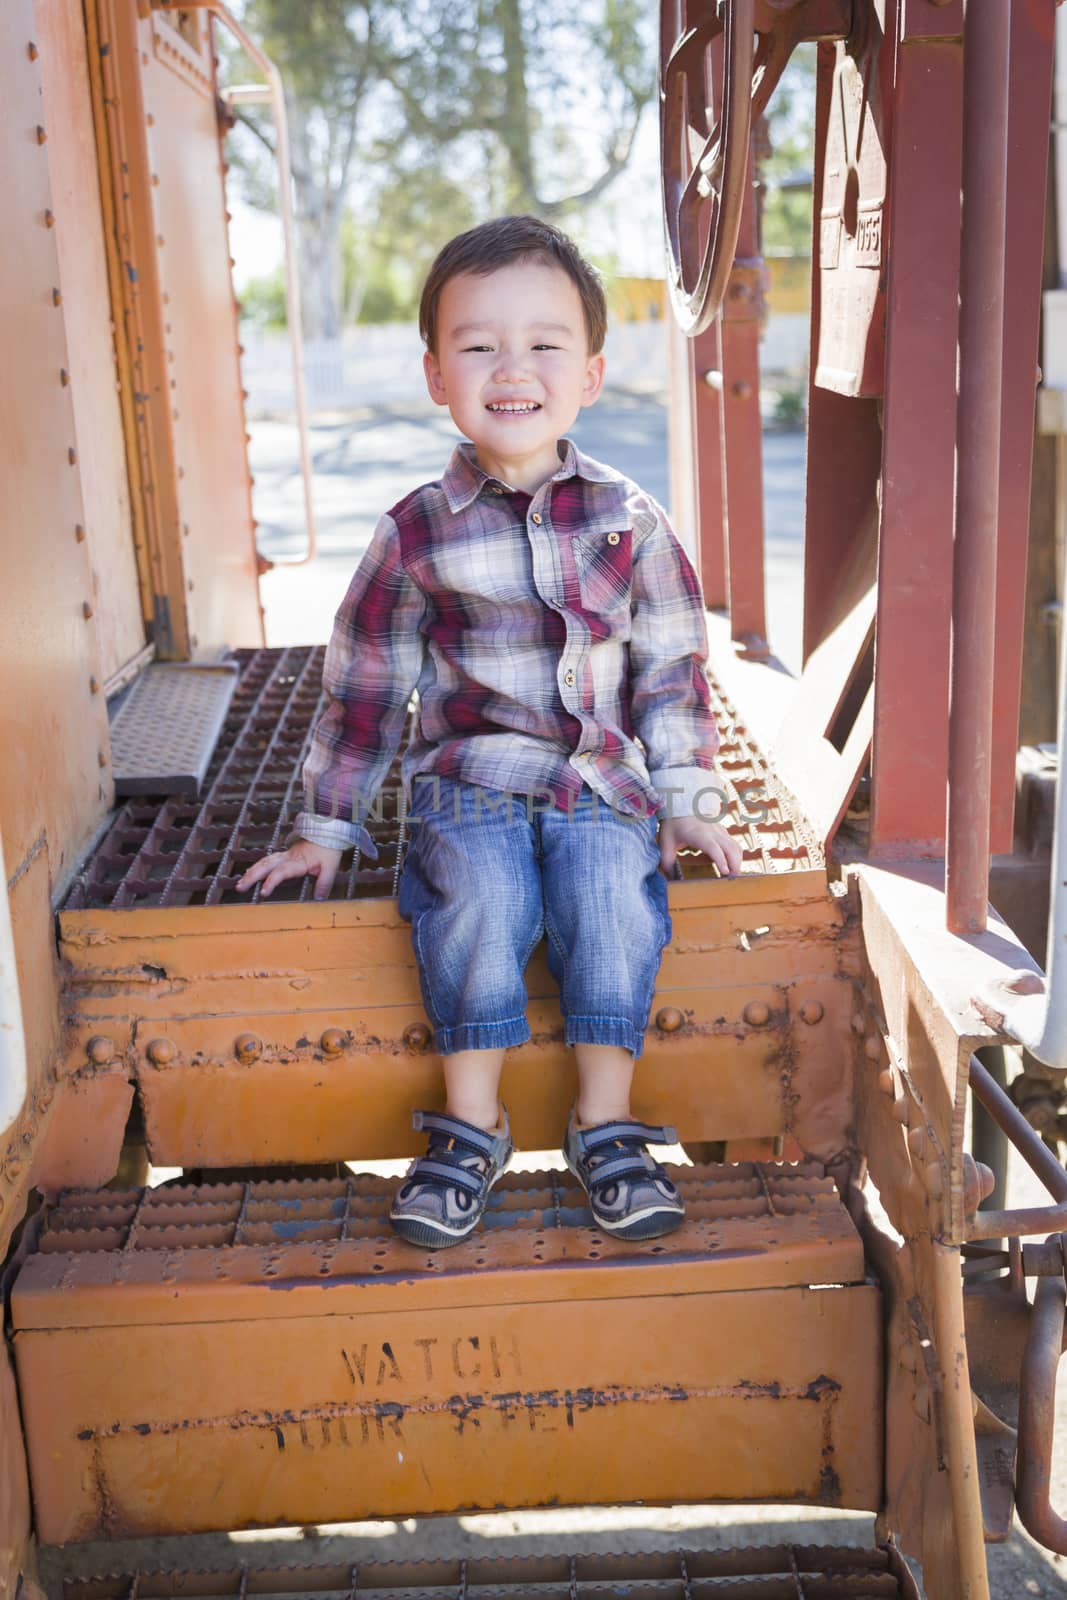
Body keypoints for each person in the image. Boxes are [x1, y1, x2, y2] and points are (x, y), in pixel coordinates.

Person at [237, 216, 743, 1250]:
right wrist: (324, 828)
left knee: (611, 897)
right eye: (477, 346)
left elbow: (669, 669)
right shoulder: (416, 528)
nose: (511, 368)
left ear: (591, 372)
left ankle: (605, 1121)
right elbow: (366, 687)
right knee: (478, 893)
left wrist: (687, 797)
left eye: (544, 344)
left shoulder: (626, 517)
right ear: (434, 374)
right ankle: (471, 1124)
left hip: (601, 780)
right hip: (467, 776)